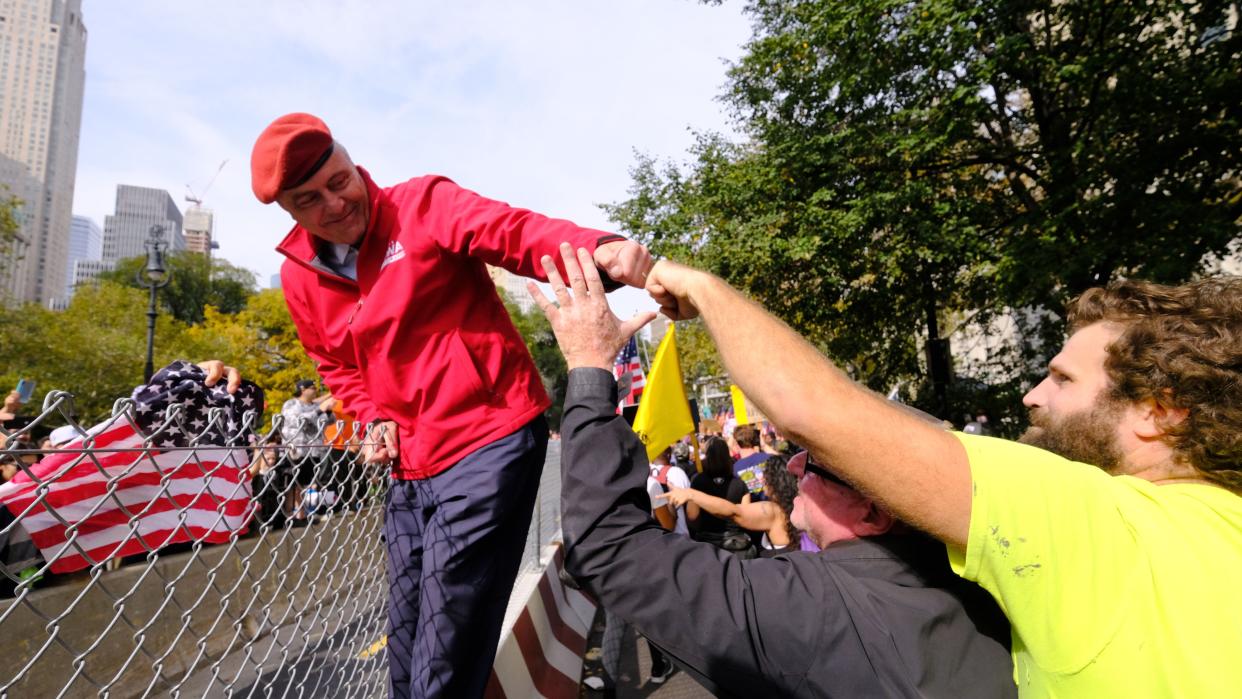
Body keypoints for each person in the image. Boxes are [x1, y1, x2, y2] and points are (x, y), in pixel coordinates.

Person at [644, 259, 1242, 696]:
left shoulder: (1089, 516)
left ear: (1159, 412)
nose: (1034, 396)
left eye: (1062, 380)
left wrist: (700, 286)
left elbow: (809, 409)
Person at [249, 113, 651, 698]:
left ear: (350, 160)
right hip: (409, 462)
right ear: (288, 211)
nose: (334, 204)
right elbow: (335, 364)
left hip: (488, 436)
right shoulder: (299, 277)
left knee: (447, 640)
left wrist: (599, 251)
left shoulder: (421, 205)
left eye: (339, 181)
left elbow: (514, 231)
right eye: (309, 200)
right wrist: (371, 414)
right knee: (406, 639)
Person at [530, 243, 1015, 697]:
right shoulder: (998, 589)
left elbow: (606, 548)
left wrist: (591, 364)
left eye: (825, 465)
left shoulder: (816, 610)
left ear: (874, 513)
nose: (796, 463)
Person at [663, 454, 800, 557]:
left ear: (774, 481)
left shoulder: (773, 511)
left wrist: (691, 494)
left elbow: (734, 512)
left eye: (765, 476)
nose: (761, 480)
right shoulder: (799, 503)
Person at [686, 436, 751, 555]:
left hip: (708, 546)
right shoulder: (739, 484)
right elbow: (746, 515)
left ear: (708, 456)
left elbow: (692, 516)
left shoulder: (698, 482)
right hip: (737, 546)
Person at [730, 423, 769, 500]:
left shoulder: (735, 468)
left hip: (752, 509)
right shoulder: (770, 458)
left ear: (736, 443)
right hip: (775, 507)